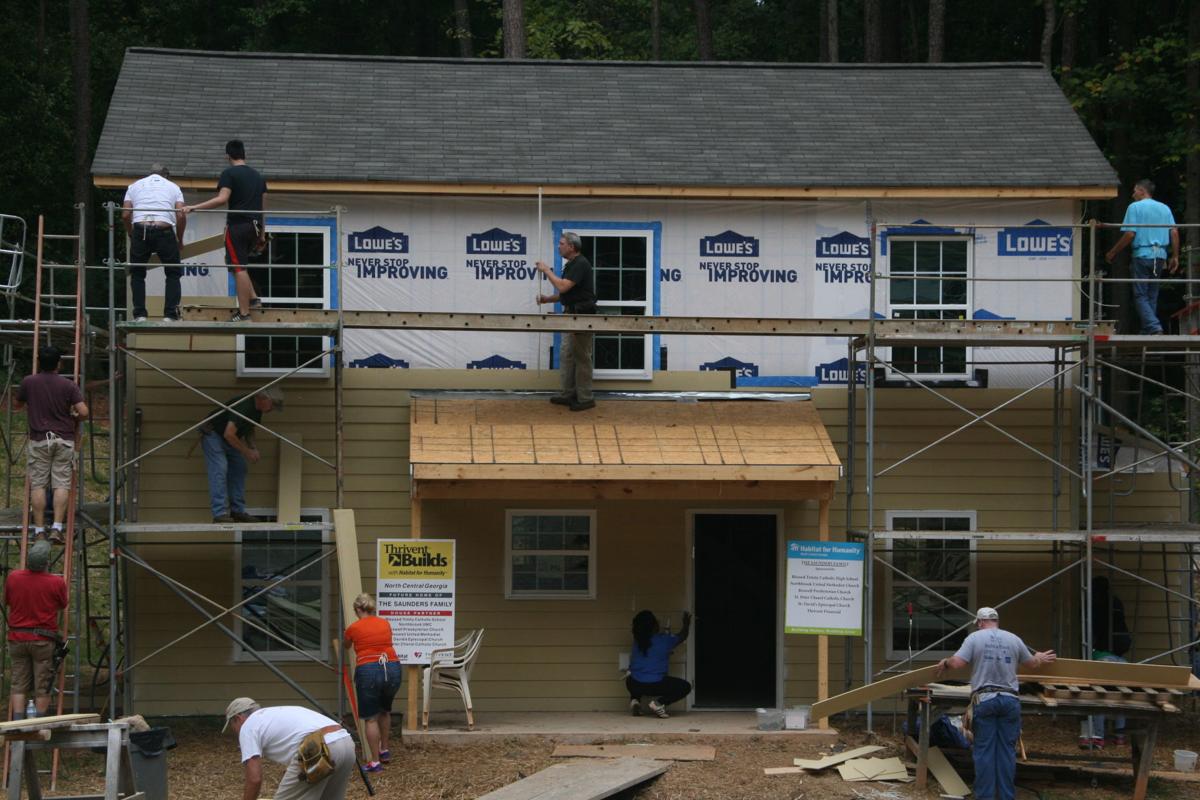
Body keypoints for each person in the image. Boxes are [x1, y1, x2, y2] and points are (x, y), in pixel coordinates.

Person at [936, 607, 1056, 800]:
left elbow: (957, 663)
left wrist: (946, 663)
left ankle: (986, 797)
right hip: (1010, 701)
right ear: (996, 621)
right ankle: (1006, 796)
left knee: (984, 751)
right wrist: (1039, 657)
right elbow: (1032, 664)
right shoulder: (1013, 639)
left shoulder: (974, 639)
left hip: (986, 700)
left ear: (980, 622)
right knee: (1006, 752)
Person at [184, 140, 266, 321]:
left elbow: (222, 199)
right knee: (236, 263)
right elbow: (262, 207)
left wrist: (194, 207)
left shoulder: (229, 174)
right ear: (245, 154)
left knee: (238, 267)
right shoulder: (258, 176)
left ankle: (244, 313)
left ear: (227, 156)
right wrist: (262, 234)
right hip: (254, 226)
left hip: (237, 226)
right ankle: (253, 299)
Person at [15, 345, 89, 543]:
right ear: (59, 363)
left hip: (39, 439)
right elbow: (83, 412)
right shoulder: (68, 385)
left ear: (39, 362)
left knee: (38, 484)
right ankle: (57, 528)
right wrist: (73, 415)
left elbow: (18, 404)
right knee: (61, 484)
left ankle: (39, 530)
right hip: (63, 439)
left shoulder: (28, 382)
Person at [223, 697, 355, 800]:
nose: (235, 732)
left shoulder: (248, 726)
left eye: (232, 726)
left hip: (318, 748)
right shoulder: (275, 713)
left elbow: (254, 779)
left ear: (238, 718)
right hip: (346, 742)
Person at [1105, 179, 1180, 335]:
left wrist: (1113, 251)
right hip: (1160, 256)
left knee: (1140, 294)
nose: (1133, 195)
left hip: (1142, 255)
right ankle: (1148, 329)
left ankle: (1153, 326)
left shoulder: (1134, 207)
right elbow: (1174, 232)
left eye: (1134, 191)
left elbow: (1130, 233)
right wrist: (1175, 256)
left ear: (1141, 191)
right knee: (1152, 294)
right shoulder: (1164, 208)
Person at [5, 540, 68, 719]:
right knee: (43, 684)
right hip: (42, 640)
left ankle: (17, 722)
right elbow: (63, 604)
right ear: (46, 563)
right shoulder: (56, 582)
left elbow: (8, 600)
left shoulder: (13, 577)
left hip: (17, 637)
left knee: (18, 682)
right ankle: (39, 722)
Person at [201, 386, 283, 523]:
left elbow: (249, 429)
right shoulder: (244, 405)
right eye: (273, 404)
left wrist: (253, 447)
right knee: (220, 469)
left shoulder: (257, 410)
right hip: (213, 435)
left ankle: (237, 511)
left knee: (239, 467)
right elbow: (229, 433)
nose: (272, 408)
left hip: (229, 438)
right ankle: (219, 513)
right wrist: (247, 452)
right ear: (264, 399)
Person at [535, 232, 597, 411]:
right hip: (572, 315)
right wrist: (548, 299)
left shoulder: (580, 263)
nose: (558, 246)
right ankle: (568, 393)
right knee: (567, 355)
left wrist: (547, 270)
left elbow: (563, 286)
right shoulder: (571, 264)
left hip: (582, 317)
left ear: (571, 246)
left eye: (561, 243)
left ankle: (585, 398)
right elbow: (567, 293)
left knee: (581, 356)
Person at [342, 593, 400, 773]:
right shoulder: (385, 623)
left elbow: (347, 645)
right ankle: (384, 750)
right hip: (392, 667)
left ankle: (375, 762)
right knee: (385, 710)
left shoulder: (353, 628)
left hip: (368, 670)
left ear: (358, 609)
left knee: (370, 718)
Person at [122, 164, 186, 322]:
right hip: (163, 230)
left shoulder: (134, 186)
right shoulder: (174, 187)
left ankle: (140, 315)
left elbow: (125, 215)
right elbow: (181, 216)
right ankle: (170, 315)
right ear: (166, 175)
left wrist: (131, 234)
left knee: (137, 274)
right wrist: (179, 239)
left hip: (140, 229)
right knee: (172, 273)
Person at [1080, 576, 1131, 749]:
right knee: (1120, 696)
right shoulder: (1116, 602)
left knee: (1100, 696)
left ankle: (1098, 737)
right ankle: (1120, 737)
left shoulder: (1095, 603)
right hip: (1121, 655)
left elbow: (1092, 627)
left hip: (1103, 655)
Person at [626, 609, 692, 718]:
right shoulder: (665, 640)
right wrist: (686, 624)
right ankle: (659, 703)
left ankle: (635, 700)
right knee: (685, 686)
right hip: (656, 685)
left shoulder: (637, 641)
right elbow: (682, 635)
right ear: (654, 626)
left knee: (630, 677)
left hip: (634, 685)